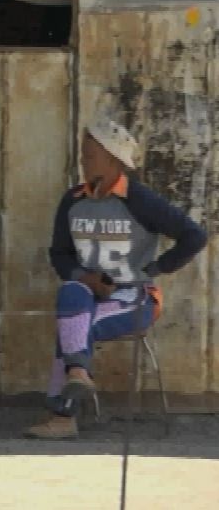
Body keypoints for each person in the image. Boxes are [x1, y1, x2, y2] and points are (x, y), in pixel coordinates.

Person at [25, 118, 207, 439]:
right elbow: (60, 254)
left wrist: (155, 269)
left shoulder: (139, 200)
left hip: (136, 299)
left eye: (89, 156)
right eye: (82, 155)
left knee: (74, 327)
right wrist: (86, 278)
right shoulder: (73, 201)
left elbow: (194, 236)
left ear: (112, 160)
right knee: (71, 295)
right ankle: (77, 378)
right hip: (88, 294)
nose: (83, 162)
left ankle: (63, 413)